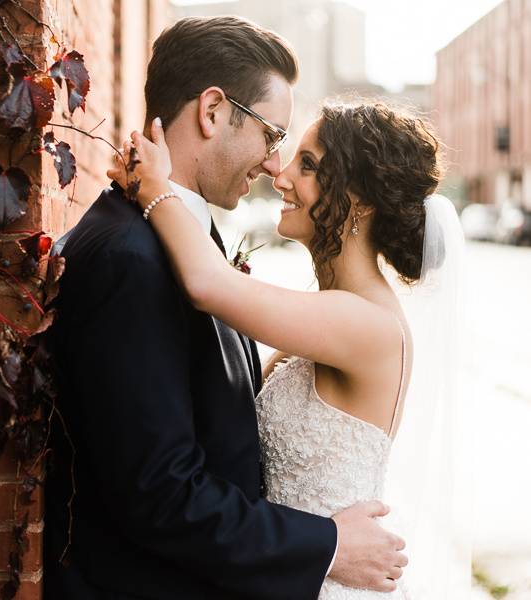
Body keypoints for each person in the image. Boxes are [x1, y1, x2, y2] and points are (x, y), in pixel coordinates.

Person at [43, 16, 406, 600]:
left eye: (297, 156)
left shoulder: (174, 242)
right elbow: (160, 492)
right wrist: (327, 545)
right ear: (213, 111)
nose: (274, 167)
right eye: (271, 135)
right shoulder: (132, 257)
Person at [108, 98, 469, 598]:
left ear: (360, 199)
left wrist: (153, 188)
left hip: (329, 583)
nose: (280, 176)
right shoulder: (329, 314)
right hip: (292, 570)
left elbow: (208, 285)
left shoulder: (370, 324)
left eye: (308, 165)